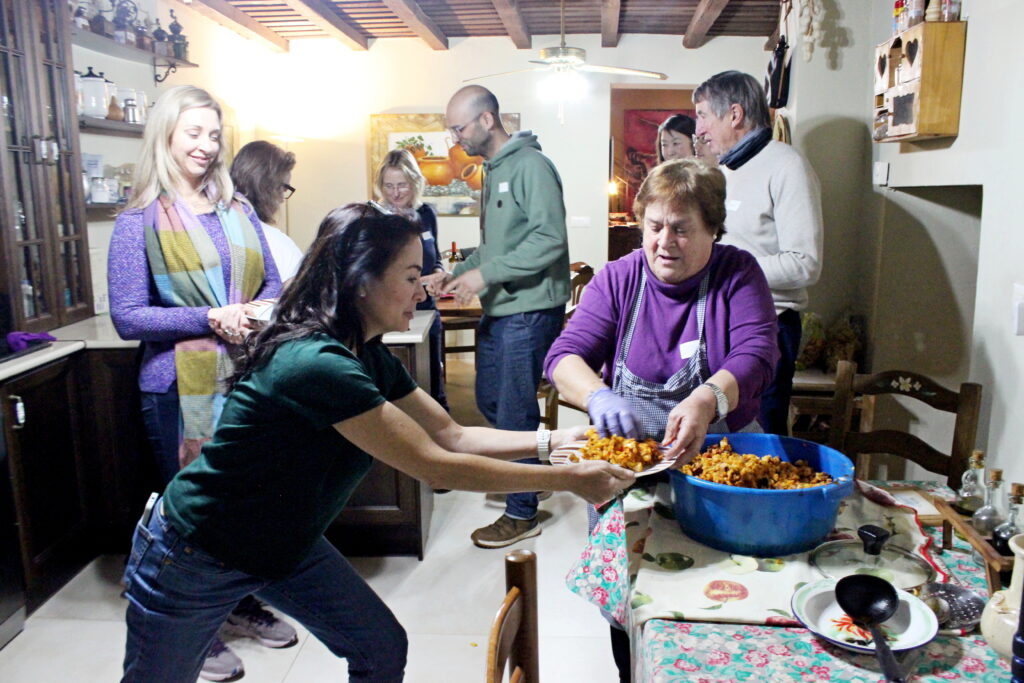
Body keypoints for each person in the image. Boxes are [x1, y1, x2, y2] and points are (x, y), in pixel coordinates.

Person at [119, 203, 635, 683]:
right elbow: (438, 466)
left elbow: (452, 434)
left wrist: (558, 441)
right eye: (411, 277)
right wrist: (570, 479)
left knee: (380, 648)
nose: (422, 291)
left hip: (283, 543)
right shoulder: (317, 362)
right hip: (194, 552)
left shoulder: (362, 352)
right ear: (362, 281)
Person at [543, 159, 779, 682]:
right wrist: (599, 396)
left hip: (722, 468)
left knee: (723, 597)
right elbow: (564, 357)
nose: (664, 242)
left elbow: (758, 353)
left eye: (681, 229)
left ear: (713, 231)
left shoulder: (737, 274)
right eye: (654, 227)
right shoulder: (619, 279)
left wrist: (707, 399)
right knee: (630, 603)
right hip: (626, 477)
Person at [108, 85, 290, 682]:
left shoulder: (236, 211)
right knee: (193, 514)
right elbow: (128, 316)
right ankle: (198, 632)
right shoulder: (137, 220)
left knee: (240, 504)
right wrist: (210, 317)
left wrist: (251, 312)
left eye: (214, 135)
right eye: (194, 133)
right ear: (165, 134)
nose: (206, 147)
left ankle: (236, 606)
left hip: (244, 375)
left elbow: (271, 285)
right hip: (177, 384)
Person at [424, 85, 571, 549]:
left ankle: (522, 512)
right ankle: (533, 473)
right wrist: (453, 274)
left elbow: (549, 240)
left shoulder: (531, 167)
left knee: (512, 414)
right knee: (490, 401)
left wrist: (486, 275)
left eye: (459, 127)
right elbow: (495, 247)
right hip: (504, 311)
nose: (455, 138)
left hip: (529, 313)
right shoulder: (494, 170)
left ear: (487, 120)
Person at [693, 70, 823, 435]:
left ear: (734, 114)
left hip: (769, 325)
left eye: (704, 115)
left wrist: (723, 269)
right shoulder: (728, 170)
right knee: (719, 438)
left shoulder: (787, 166)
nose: (699, 129)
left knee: (760, 438)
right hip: (722, 323)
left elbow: (805, 264)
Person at [373, 148, 448, 410]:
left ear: (414, 184)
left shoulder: (426, 214)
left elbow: (435, 256)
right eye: (388, 186)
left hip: (426, 308)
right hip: (390, 312)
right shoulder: (375, 218)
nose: (395, 193)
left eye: (402, 185)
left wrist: (438, 273)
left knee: (432, 381)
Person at [230, 140, 304, 285]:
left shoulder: (204, 229)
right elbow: (295, 302)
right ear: (268, 188)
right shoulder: (279, 245)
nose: (283, 199)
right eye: (284, 188)